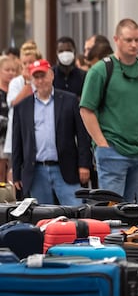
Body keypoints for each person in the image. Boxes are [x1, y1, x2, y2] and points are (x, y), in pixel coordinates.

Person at [80, 19, 138, 203]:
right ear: (116, 39)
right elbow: (86, 109)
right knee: (111, 210)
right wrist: (101, 142)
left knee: (133, 208)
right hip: (112, 149)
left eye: (137, 40)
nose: (134, 45)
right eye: (128, 40)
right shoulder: (101, 70)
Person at [11, 59, 90, 205]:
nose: (41, 81)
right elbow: (17, 142)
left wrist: (84, 164)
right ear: (32, 79)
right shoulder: (22, 107)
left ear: (52, 75)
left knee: (75, 212)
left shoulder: (69, 100)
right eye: (37, 77)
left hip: (65, 168)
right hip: (37, 171)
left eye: (44, 76)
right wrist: (16, 173)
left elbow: (82, 135)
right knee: (42, 217)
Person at [0, 55, 20, 181]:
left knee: (12, 174)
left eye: (13, 70)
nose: (11, 73)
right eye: (7, 70)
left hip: (13, 134)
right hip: (1, 137)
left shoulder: (16, 89)